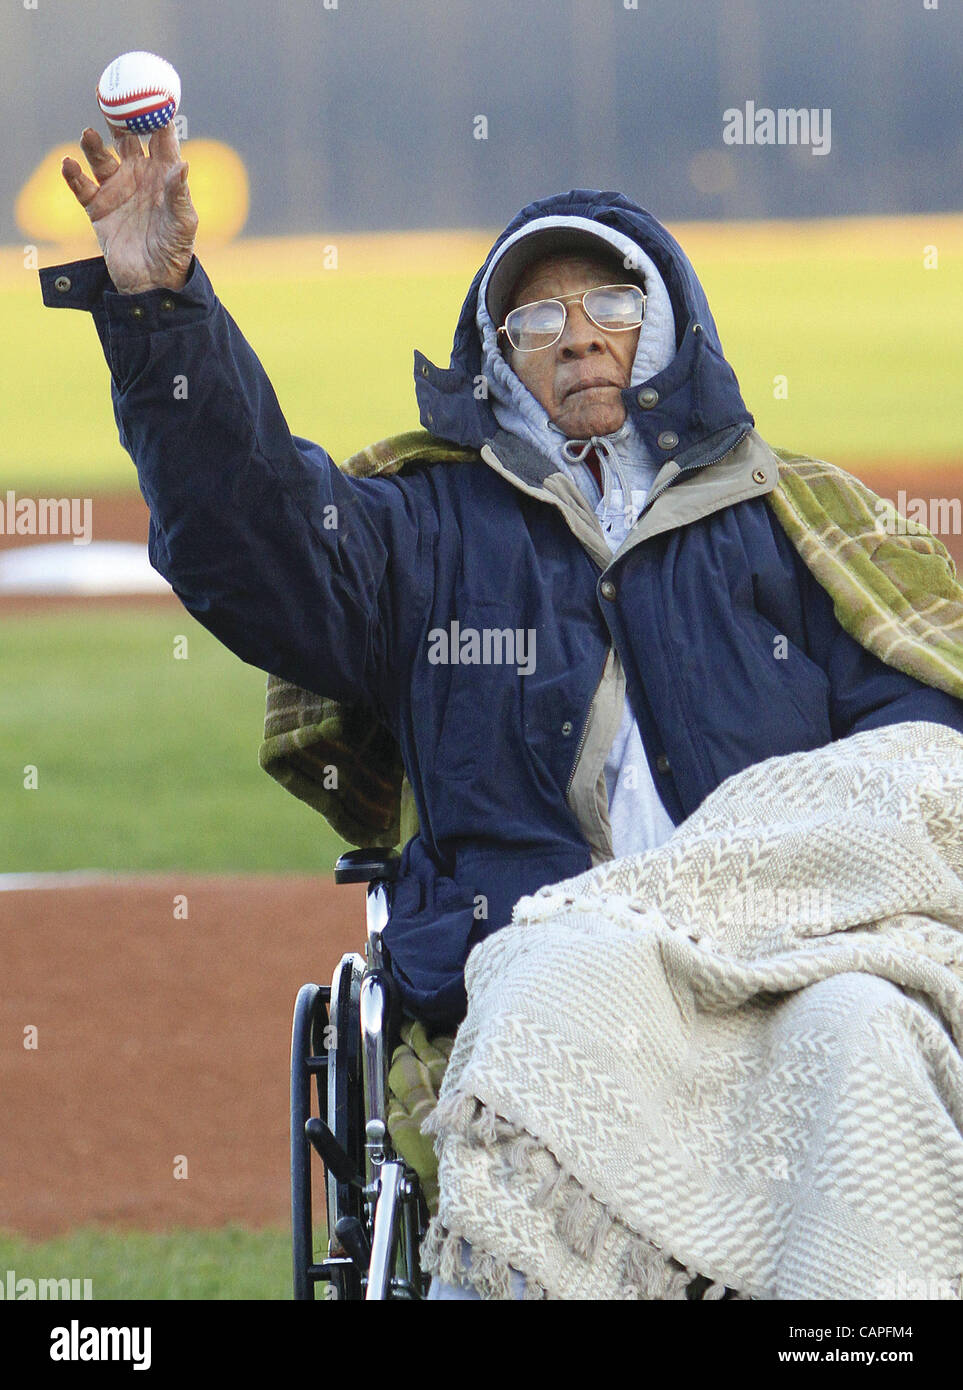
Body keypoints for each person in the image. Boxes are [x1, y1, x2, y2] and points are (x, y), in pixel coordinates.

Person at [46, 125, 963, 1042]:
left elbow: (915, 740)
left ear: (670, 321)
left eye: (610, 302)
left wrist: (791, 875)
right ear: (496, 358)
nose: (576, 341)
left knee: (866, 1026)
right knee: (566, 996)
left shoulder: (793, 517)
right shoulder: (425, 525)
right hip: (540, 958)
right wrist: (159, 311)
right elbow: (248, 543)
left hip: (784, 953)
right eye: (535, 321)